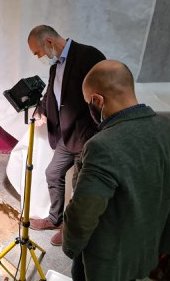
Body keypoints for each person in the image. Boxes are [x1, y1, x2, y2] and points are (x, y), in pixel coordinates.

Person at [62, 59, 170, 281]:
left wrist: (71, 247)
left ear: (97, 100)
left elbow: (83, 214)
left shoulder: (103, 145)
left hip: (108, 262)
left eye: (89, 102)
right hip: (149, 249)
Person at [27, 25, 106, 246]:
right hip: (67, 134)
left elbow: (103, 94)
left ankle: (69, 229)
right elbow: (52, 93)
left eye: (38, 52)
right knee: (53, 173)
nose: (39, 57)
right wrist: (41, 110)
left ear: (49, 42)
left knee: (79, 187)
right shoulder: (55, 68)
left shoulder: (88, 56)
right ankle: (55, 219)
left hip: (87, 136)